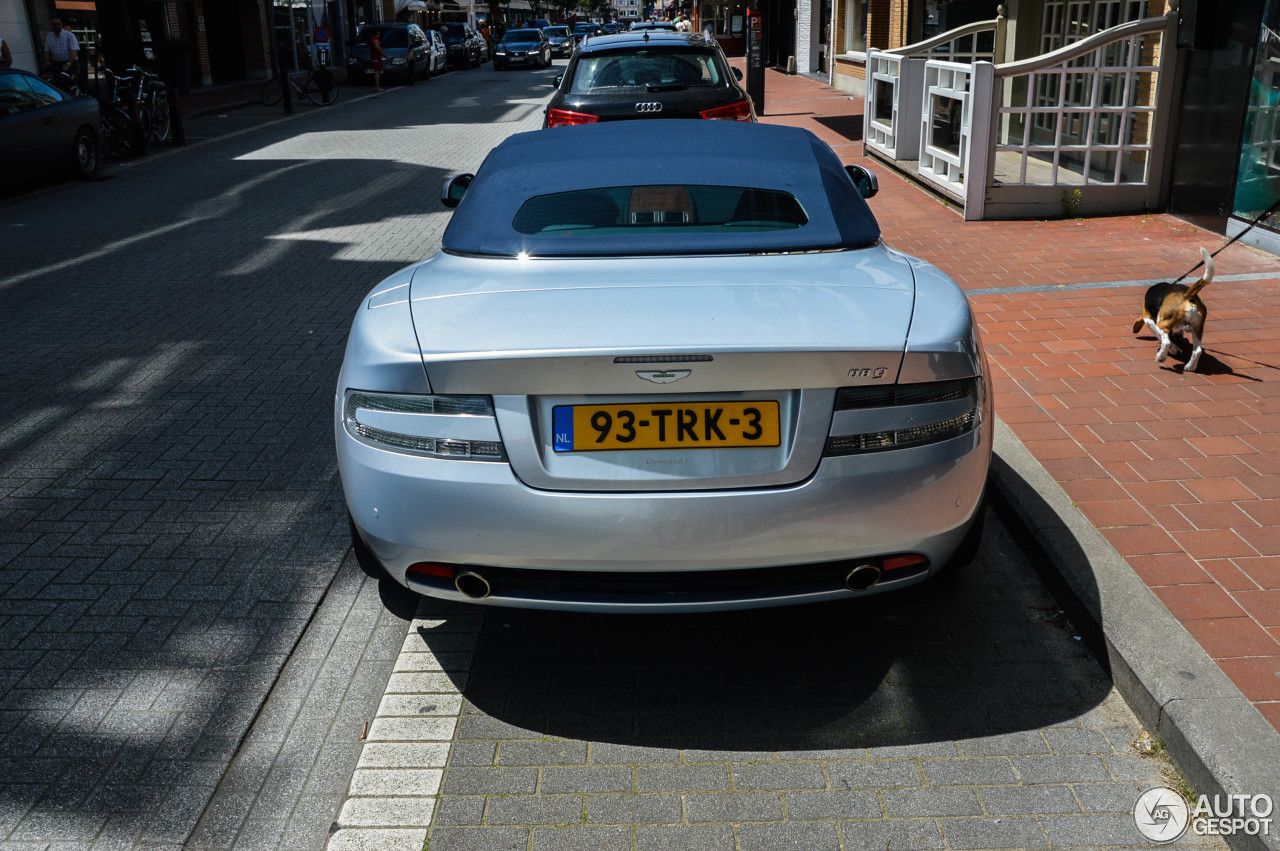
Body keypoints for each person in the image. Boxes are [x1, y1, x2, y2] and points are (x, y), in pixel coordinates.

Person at [369, 27, 387, 92]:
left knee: (378, 72)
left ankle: (377, 86)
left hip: (377, 57)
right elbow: (378, 49)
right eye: (378, 31)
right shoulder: (374, 40)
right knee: (377, 72)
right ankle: (377, 87)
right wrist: (386, 56)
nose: (379, 32)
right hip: (376, 58)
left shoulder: (376, 39)